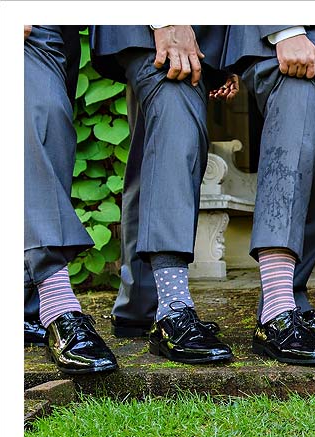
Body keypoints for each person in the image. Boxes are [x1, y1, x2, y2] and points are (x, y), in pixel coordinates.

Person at [90, 25, 235, 364]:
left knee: (155, 149)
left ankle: (140, 302)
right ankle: (173, 309)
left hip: (181, 34)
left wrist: (224, 60)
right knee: (177, 137)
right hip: (162, 27)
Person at [222, 25, 315, 365]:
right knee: (292, 150)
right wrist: (284, 28)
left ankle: (293, 298)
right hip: (288, 36)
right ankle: (277, 313)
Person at [24, 24, 117, 374]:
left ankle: (22, 298)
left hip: (53, 27)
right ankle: (58, 302)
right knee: (37, 112)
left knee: (47, 134)